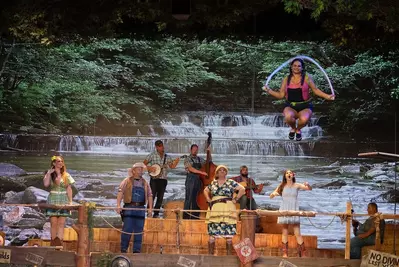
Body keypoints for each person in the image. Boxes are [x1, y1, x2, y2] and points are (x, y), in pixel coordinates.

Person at [262, 58, 335, 141]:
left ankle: (298, 129)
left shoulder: (307, 78)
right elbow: (281, 95)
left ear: (302, 68)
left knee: (304, 120)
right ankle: (293, 128)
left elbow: (315, 90)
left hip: (305, 105)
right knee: (288, 117)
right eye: (295, 66)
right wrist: (268, 90)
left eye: (299, 66)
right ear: (291, 67)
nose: (297, 67)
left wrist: (327, 96)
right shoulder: (286, 79)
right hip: (290, 105)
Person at [204, 165, 245, 255]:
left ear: (226, 172)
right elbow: (206, 190)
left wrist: (236, 199)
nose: (222, 171)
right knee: (212, 234)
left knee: (229, 234)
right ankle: (210, 256)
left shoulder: (230, 182)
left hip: (227, 207)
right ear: (217, 173)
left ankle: (228, 257)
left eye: (224, 170)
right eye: (220, 170)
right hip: (215, 208)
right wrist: (208, 199)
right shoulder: (213, 183)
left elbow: (242, 189)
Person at [270, 170, 312, 257]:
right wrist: (273, 194)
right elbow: (272, 195)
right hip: (284, 209)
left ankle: (303, 253)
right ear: (285, 176)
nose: (289, 174)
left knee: (297, 232)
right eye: (287, 173)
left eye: (290, 173)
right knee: (285, 231)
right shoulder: (281, 185)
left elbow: (309, 189)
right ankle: (285, 253)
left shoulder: (297, 185)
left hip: (294, 210)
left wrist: (308, 185)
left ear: (293, 175)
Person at [116, 162, 153, 253]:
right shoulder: (126, 181)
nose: (141, 171)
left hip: (140, 208)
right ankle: (123, 249)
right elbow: (120, 193)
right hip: (129, 208)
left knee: (139, 230)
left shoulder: (145, 183)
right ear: (133, 171)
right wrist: (118, 205)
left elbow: (150, 195)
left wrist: (150, 208)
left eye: (141, 169)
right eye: (139, 169)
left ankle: (137, 251)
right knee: (127, 229)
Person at [43, 155, 75, 246]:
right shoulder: (49, 174)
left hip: (63, 199)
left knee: (61, 223)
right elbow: (46, 184)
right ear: (54, 163)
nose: (60, 163)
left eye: (61, 161)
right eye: (58, 161)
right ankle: (53, 242)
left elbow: (69, 189)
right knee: (53, 222)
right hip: (53, 199)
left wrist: (70, 202)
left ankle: (59, 243)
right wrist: (49, 173)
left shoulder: (66, 175)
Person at [143, 140, 179, 218]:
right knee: (151, 196)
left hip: (163, 179)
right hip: (154, 179)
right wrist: (151, 168)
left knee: (160, 197)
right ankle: (149, 212)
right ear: (156, 147)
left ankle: (156, 213)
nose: (162, 147)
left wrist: (176, 162)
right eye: (160, 146)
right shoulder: (152, 155)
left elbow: (172, 166)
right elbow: (144, 164)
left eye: (162, 146)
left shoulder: (167, 157)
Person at [183, 144, 210, 219]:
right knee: (189, 198)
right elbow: (191, 169)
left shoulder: (200, 159)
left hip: (199, 180)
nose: (195, 151)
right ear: (191, 150)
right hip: (191, 180)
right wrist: (202, 173)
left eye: (196, 149)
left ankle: (195, 216)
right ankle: (186, 217)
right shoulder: (187, 159)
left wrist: (209, 152)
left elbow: (208, 163)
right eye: (194, 149)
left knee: (197, 199)